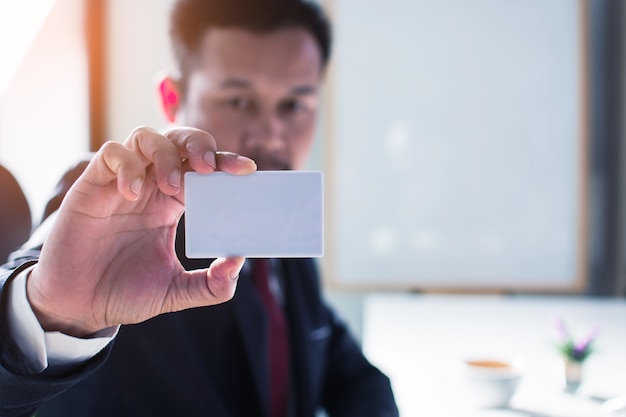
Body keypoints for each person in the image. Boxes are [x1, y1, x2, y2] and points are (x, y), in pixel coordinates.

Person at [0, 0, 399, 416]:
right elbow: (39, 284)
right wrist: (48, 312)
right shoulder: (113, 207)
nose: (271, 135)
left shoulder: (283, 237)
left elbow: (349, 371)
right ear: (172, 99)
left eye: (294, 105)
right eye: (239, 101)